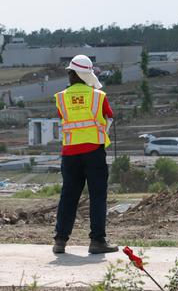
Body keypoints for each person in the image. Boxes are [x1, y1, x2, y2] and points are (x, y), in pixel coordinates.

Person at [53, 55, 118, 255]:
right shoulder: (99, 97)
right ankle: (97, 241)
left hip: (70, 153)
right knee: (97, 196)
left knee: (68, 196)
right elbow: (109, 116)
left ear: (72, 74)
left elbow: (63, 118)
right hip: (93, 152)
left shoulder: (61, 97)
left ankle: (60, 241)